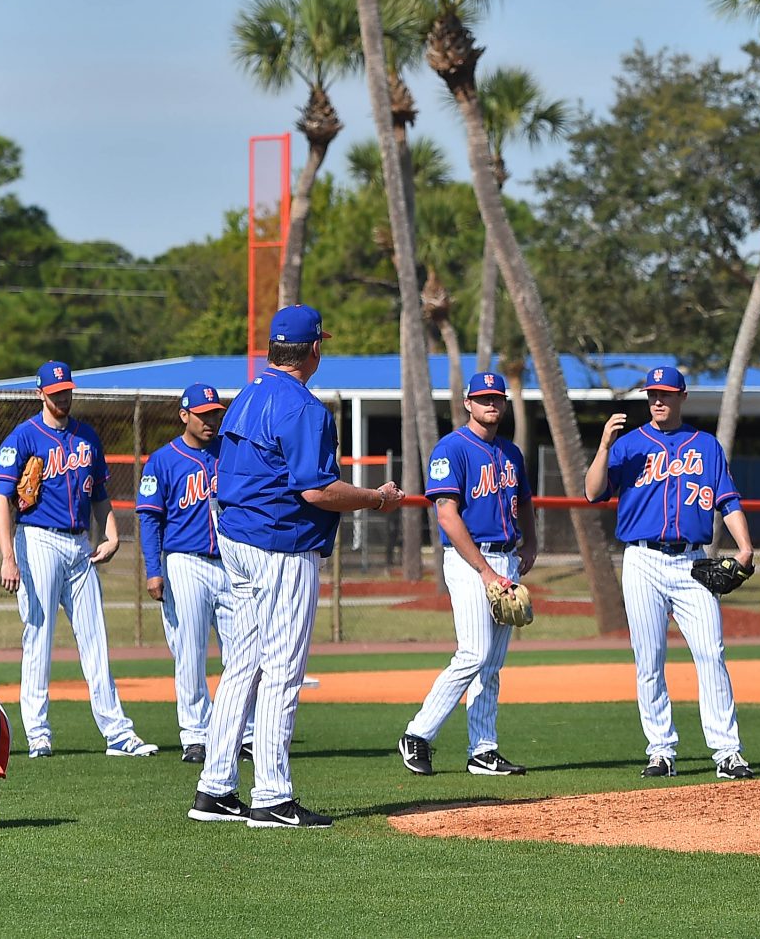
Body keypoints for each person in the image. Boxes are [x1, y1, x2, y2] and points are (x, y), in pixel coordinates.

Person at [189, 305, 403, 828]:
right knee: (282, 668)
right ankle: (271, 794)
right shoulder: (302, 407)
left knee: (243, 664)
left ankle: (215, 789)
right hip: (279, 545)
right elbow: (316, 489)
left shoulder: (246, 397)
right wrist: (376, 499)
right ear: (314, 350)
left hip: (236, 539)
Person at [583, 365, 755, 780]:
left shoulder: (707, 446)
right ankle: (660, 750)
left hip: (693, 560)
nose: (657, 400)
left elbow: (727, 501)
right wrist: (605, 445)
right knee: (650, 659)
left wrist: (746, 546)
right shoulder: (629, 445)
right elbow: (592, 492)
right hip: (642, 560)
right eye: (652, 394)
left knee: (711, 652)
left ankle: (727, 752)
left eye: (665, 394)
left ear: (682, 396)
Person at [0, 361, 155, 758]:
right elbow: (0, 498)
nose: (63, 396)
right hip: (38, 539)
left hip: (80, 544)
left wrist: (112, 533)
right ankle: (38, 733)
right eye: (55, 391)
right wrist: (7, 557)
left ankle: (117, 733)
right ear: (40, 394)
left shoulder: (87, 437)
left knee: (95, 638)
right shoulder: (24, 437)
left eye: (67, 390)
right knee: (39, 635)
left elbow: (99, 493)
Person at [397, 370, 535, 777]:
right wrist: (486, 571)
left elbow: (525, 501)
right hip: (471, 561)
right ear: (467, 404)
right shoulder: (451, 449)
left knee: (491, 663)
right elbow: (446, 514)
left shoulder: (510, 453)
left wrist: (531, 543)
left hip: (506, 560)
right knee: (473, 652)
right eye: (484, 398)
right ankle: (417, 735)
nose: (491, 404)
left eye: (498, 398)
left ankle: (483, 749)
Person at [137, 383, 241, 764]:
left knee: (241, 652)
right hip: (184, 562)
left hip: (231, 562)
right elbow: (149, 519)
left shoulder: (229, 454)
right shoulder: (163, 460)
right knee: (190, 652)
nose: (212, 419)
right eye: (203, 414)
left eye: (215, 413)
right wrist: (153, 570)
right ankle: (195, 734)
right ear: (185, 416)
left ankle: (240, 733)